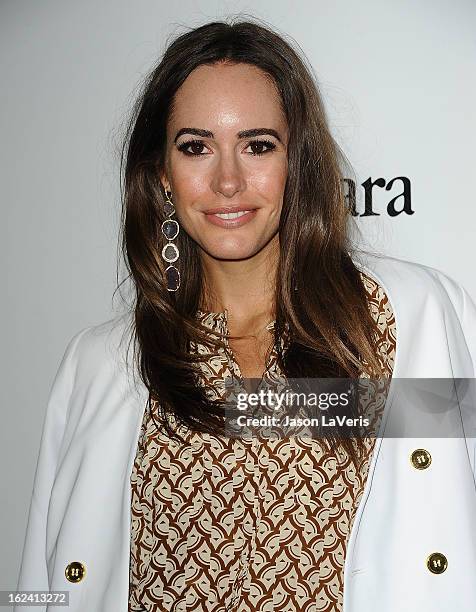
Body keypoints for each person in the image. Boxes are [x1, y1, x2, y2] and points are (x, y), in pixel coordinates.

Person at [15, 18, 476, 612]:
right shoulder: (99, 364)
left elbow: (448, 510)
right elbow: (41, 586)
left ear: (300, 164)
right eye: (196, 147)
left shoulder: (403, 322)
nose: (228, 180)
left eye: (258, 145)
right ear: (161, 172)